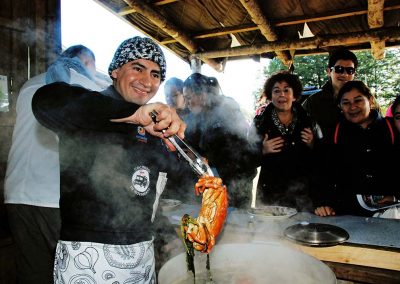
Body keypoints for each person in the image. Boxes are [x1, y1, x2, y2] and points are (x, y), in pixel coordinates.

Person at [32, 36, 188, 283]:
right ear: (115, 70)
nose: (147, 81)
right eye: (138, 68)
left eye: (156, 74)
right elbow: (45, 101)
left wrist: (168, 237)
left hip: (142, 257)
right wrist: (133, 114)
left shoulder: (154, 129)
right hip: (88, 257)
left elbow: (146, 196)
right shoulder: (91, 110)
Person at [4, 45, 104, 284]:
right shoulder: (84, 84)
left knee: (32, 272)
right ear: (87, 63)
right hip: (53, 197)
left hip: (16, 193)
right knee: (74, 273)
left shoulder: (29, 85)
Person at [314, 81, 399, 217]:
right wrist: (322, 202)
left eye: (358, 100)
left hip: (390, 212)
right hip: (347, 213)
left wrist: (396, 195)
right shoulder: (335, 134)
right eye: (346, 102)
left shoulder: (392, 129)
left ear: (370, 100)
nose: (352, 107)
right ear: (340, 107)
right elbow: (322, 173)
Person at [249, 71, 321, 211]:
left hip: (303, 195)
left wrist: (313, 144)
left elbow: (322, 158)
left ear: (294, 96)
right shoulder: (260, 123)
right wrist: (262, 150)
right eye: (276, 91)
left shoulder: (309, 121)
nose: (282, 94)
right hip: (269, 195)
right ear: (270, 96)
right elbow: (246, 159)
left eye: (286, 90)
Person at [183, 73, 256, 208]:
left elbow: (233, 146)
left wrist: (204, 156)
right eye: (185, 98)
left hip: (238, 177)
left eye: (188, 98)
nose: (186, 103)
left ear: (202, 95)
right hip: (216, 179)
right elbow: (190, 143)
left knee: (238, 220)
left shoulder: (226, 106)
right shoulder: (195, 116)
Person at [302, 48, 358, 142]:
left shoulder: (365, 100)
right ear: (329, 71)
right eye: (339, 69)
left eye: (350, 70)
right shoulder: (313, 102)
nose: (344, 74)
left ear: (354, 73)